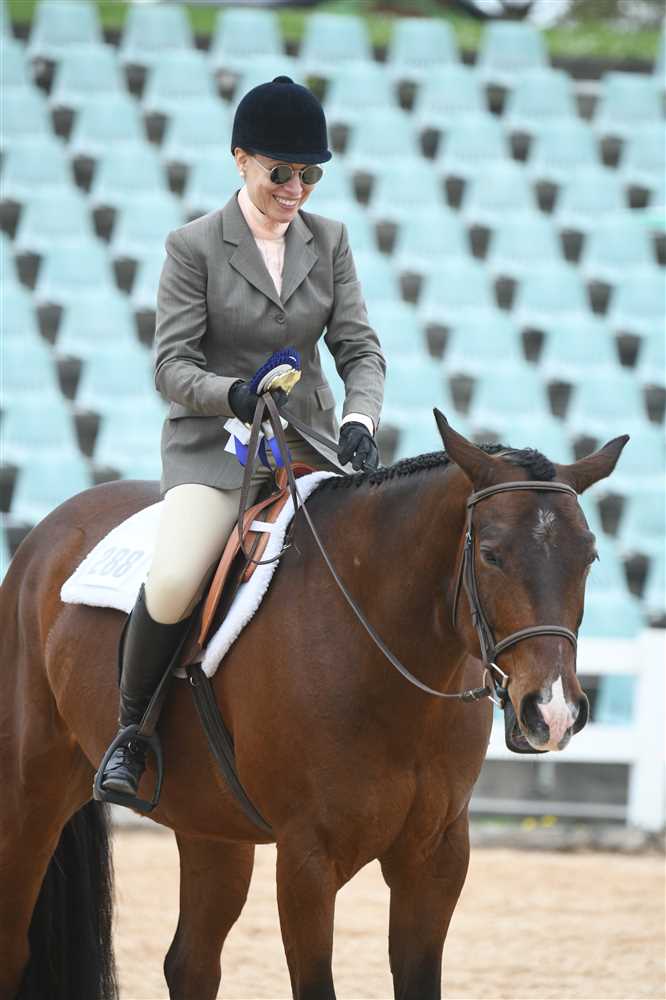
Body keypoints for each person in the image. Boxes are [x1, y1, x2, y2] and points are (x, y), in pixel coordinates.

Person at [99, 76, 386, 798]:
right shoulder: (194, 245)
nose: (295, 190)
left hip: (307, 448)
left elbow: (359, 350)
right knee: (173, 579)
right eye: (280, 173)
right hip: (217, 449)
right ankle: (131, 735)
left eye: (310, 176)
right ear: (241, 160)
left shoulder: (330, 241)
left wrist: (360, 419)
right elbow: (170, 366)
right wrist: (228, 392)